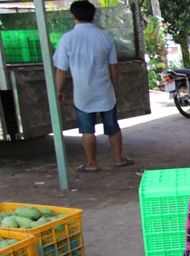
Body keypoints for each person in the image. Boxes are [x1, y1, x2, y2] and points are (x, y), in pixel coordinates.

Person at [53, 0, 134, 173]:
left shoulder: (67, 39)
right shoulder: (104, 37)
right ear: (93, 16)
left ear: (74, 17)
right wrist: (115, 85)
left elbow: (61, 69)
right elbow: (113, 66)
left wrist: (58, 89)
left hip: (83, 91)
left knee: (87, 129)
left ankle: (91, 163)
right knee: (112, 126)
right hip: (104, 89)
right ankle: (119, 159)